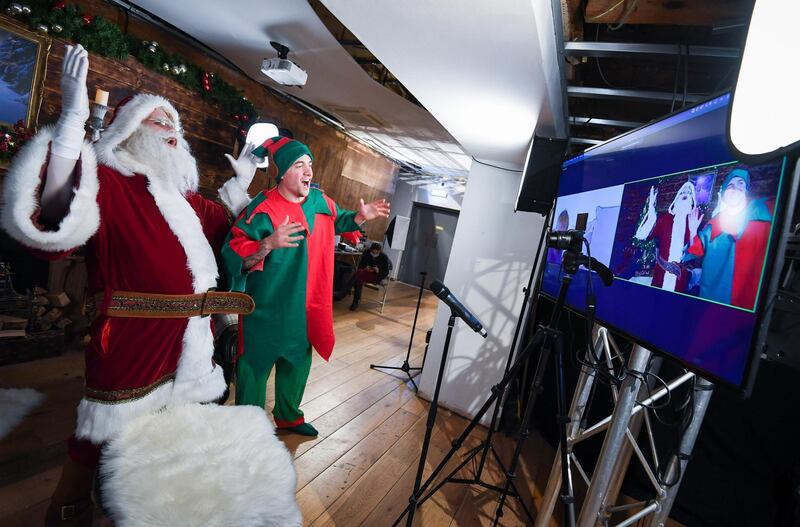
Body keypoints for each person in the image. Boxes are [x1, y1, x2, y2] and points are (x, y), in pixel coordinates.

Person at [1, 44, 259, 526]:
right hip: (130, 335)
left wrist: (241, 189)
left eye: (174, 127)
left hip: (191, 339)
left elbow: (233, 231)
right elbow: (52, 224)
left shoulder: (186, 200)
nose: (171, 133)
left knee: (171, 436)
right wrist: (72, 126)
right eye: (159, 123)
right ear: (127, 131)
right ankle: (69, 507)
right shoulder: (108, 181)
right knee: (102, 430)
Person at [221, 137, 390, 436]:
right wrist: (267, 243)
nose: (308, 171)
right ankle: (246, 428)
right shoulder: (263, 208)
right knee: (254, 367)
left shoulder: (321, 202)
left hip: (307, 306)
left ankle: (289, 417)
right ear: (283, 172)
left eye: (309, 164)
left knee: (297, 364)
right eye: (299, 165)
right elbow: (234, 251)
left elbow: (342, 220)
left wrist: (361, 217)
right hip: (266, 308)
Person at [683, 168, 774, 310]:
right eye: (730, 185)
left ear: (746, 192)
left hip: (746, 305)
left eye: (740, 184)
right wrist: (693, 230)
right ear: (724, 193)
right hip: (712, 303)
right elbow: (694, 251)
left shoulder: (762, 211)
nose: (735, 188)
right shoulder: (713, 224)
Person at [634, 181, 701, 292]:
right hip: (661, 271)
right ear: (677, 199)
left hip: (680, 276)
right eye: (683, 192)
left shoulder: (693, 222)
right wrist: (651, 216)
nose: (686, 193)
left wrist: (693, 231)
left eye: (689, 192)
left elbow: (694, 254)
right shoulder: (665, 219)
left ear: (692, 201)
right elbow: (643, 236)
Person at [349, 242, 391, 310]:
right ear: (371, 250)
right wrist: (365, 267)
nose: (374, 254)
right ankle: (354, 301)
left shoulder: (384, 257)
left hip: (376, 277)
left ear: (379, 251)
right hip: (365, 273)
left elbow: (385, 273)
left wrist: (378, 271)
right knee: (359, 277)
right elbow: (360, 266)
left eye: (376, 253)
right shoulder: (366, 253)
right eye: (373, 252)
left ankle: (350, 298)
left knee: (358, 275)